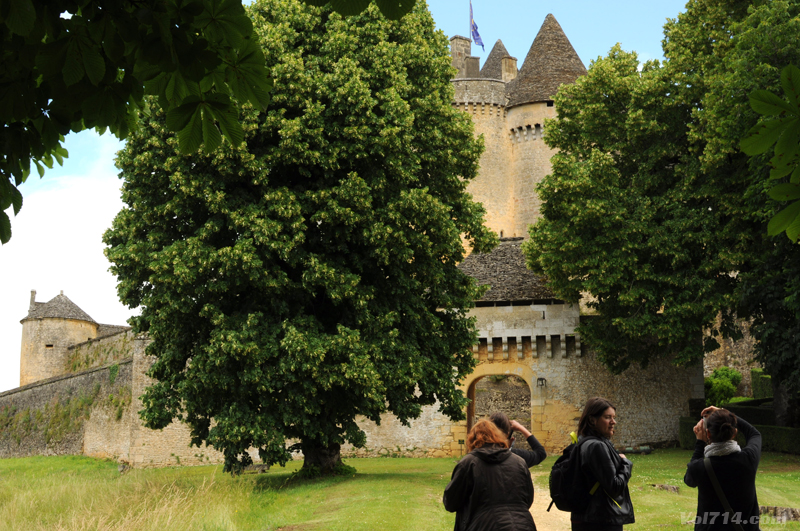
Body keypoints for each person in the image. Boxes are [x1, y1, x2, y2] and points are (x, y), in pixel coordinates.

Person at [443, 419, 537, 531]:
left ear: (472, 440)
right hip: (523, 524)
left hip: (484, 525)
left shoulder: (469, 463)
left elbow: (451, 502)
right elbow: (528, 498)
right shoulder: (519, 462)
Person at [684, 406, 762, 530]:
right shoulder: (748, 459)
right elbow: (754, 434)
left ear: (708, 433)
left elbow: (689, 480)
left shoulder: (699, 467)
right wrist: (724, 412)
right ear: (734, 432)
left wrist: (700, 443)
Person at [570, 397, 635, 531]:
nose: (613, 422)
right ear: (592, 420)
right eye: (607, 417)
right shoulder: (596, 446)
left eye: (614, 417)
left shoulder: (582, 441)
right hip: (600, 520)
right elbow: (615, 487)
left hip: (584, 517)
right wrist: (626, 464)